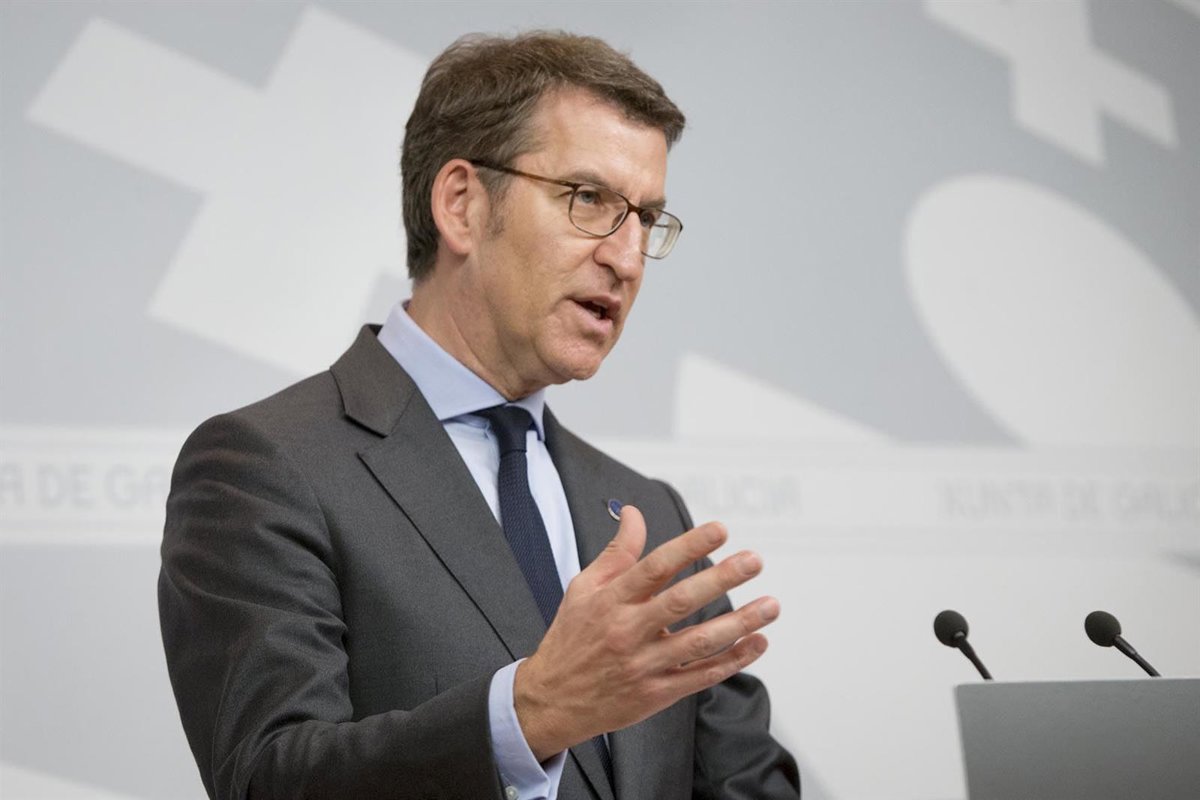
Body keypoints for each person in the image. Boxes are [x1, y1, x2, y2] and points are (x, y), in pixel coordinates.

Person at [158, 30, 800, 800]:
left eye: (646, 218)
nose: (628, 259)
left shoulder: (648, 514)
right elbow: (269, 780)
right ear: (461, 205)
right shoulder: (265, 467)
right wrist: (529, 715)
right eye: (589, 200)